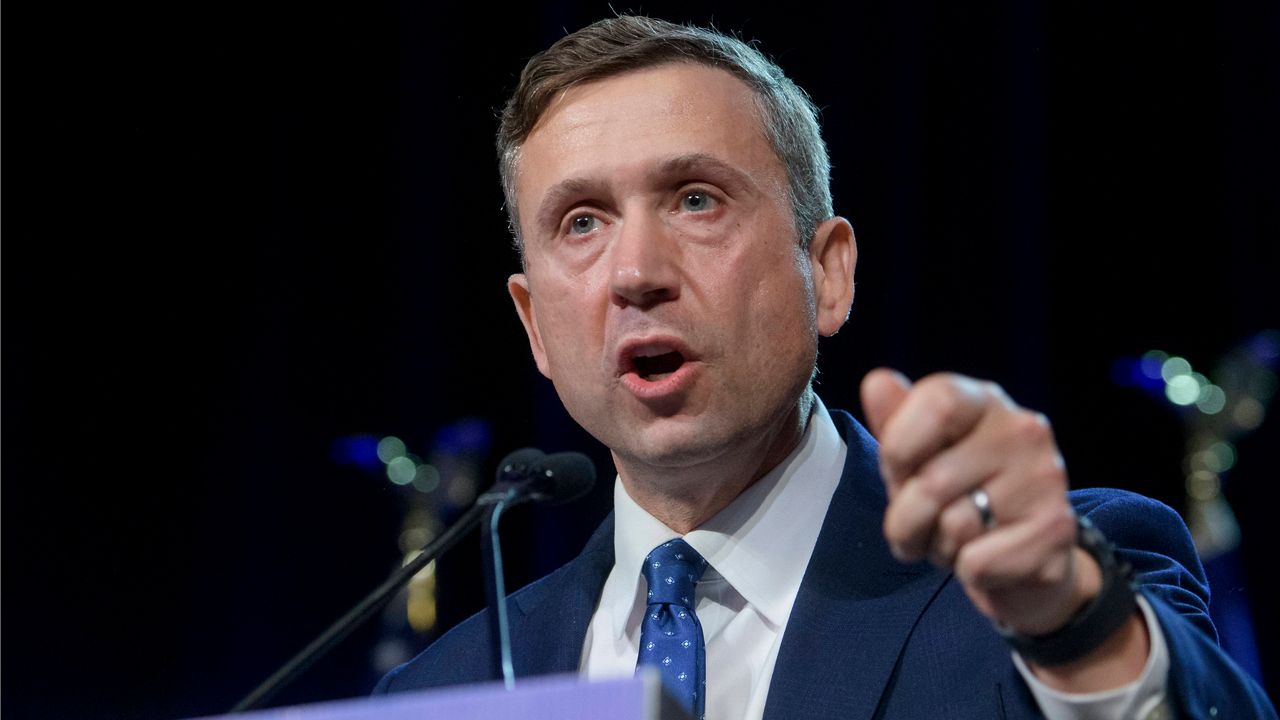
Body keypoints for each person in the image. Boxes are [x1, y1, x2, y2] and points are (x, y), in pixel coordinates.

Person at [376, 16, 1276, 719]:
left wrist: (1075, 622)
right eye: (581, 221)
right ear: (535, 324)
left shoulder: (1050, 588)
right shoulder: (444, 692)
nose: (637, 273)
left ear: (829, 273)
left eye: (696, 199)